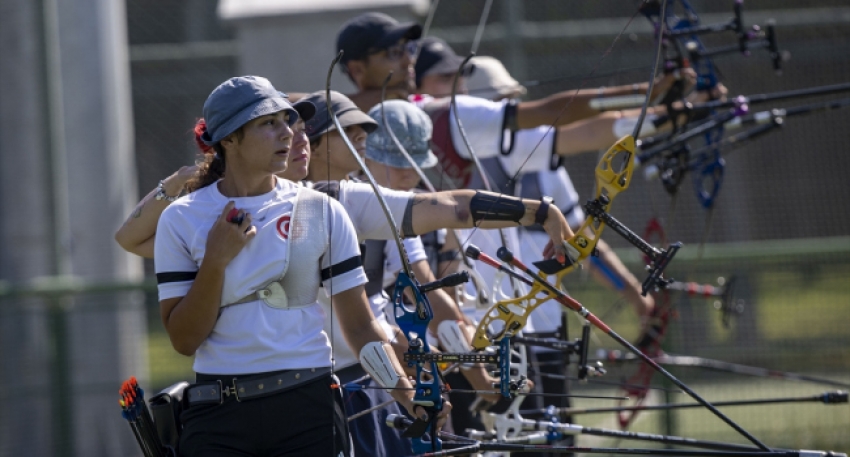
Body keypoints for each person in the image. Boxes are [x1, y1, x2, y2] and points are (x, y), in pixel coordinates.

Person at [152, 75, 438, 456]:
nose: (287, 133)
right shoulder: (181, 219)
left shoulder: (322, 210)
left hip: (310, 407)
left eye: (288, 121)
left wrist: (409, 396)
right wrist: (215, 262)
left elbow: (360, 325)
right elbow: (184, 341)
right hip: (219, 411)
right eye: (267, 123)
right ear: (228, 138)